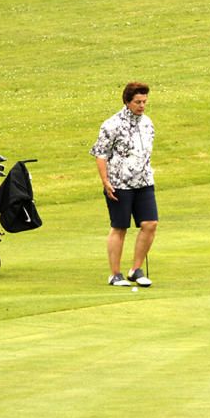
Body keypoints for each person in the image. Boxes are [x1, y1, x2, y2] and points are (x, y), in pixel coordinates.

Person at [90, 82, 157, 287]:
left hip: (144, 181)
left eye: (144, 101)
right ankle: (115, 274)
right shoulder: (112, 124)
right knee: (120, 227)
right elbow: (100, 154)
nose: (142, 106)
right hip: (119, 183)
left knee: (150, 224)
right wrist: (106, 181)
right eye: (138, 102)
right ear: (127, 102)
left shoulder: (147, 123)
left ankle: (135, 270)